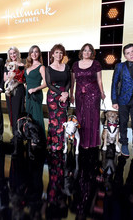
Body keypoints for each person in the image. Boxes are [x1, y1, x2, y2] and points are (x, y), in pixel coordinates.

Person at [45, 44, 71, 211]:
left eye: (61, 53)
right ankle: (53, 144)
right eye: (56, 52)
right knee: (54, 121)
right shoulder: (49, 67)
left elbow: (68, 82)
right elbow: (48, 83)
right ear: (52, 54)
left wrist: (66, 93)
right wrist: (59, 93)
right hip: (53, 96)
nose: (59, 55)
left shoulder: (66, 66)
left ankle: (61, 145)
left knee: (63, 122)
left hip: (64, 96)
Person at [70, 43, 106, 150]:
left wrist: (102, 92)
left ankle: (91, 141)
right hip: (79, 93)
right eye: (85, 50)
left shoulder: (96, 64)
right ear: (81, 52)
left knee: (92, 117)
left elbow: (99, 80)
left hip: (93, 93)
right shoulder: (75, 65)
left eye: (89, 50)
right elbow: (72, 82)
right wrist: (71, 94)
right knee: (80, 116)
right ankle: (80, 140)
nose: (87, 52)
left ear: (92, 53)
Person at [24, 45, 47, 136]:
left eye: (36, 51)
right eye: (32, 52)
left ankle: (40, 139)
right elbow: (27, 82)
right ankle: (31, 138)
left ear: (39, 54)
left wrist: (35, 89)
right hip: (28, 94)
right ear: (30, 54)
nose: (34, 54)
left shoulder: (41, 67)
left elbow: (45, 83)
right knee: (29, 117)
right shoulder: (27, 67)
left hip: (36, 95)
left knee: (37, 117)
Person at [3, 47, 25, 139]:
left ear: (17, 53)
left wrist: (16, 77)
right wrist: (9, 77)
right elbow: (4, 79)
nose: (13, 55)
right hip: (10, 91)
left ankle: (21, 130)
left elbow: (24, 79)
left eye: (14, 53)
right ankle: (14, 131)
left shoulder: (22, 64)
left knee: (19, 110)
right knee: (12, 111)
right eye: (11, 53)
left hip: (19, 90)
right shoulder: (7, 65)